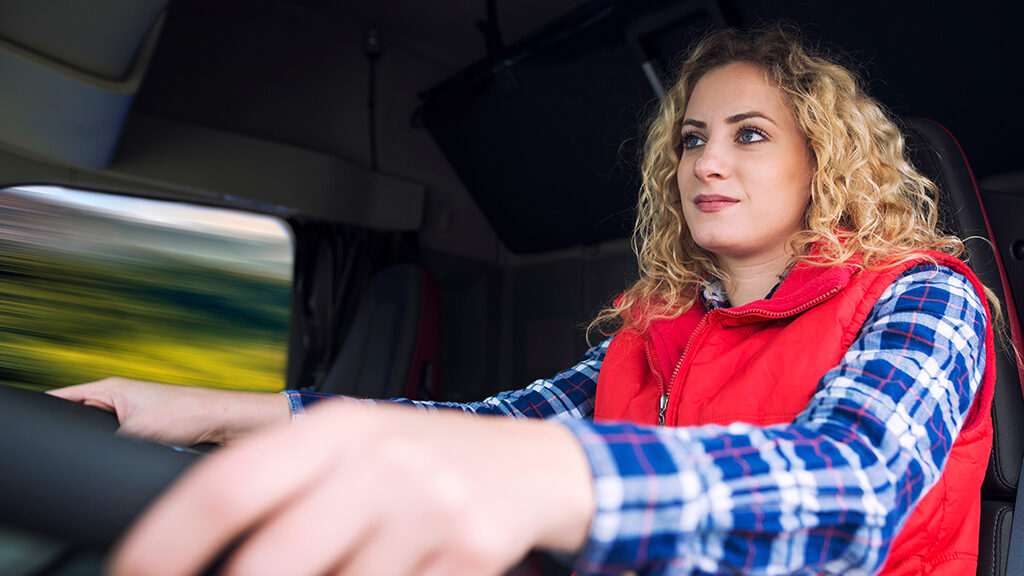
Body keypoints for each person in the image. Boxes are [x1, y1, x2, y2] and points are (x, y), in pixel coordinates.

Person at [51, 24, 997, 576]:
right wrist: (209, 413)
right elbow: (488, 428)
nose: (706, 161)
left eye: (749, 135)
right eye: (691, 138)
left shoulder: (925, 299)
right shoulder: (654, 334)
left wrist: (553, 478)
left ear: (823, 160)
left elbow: (855, 483)